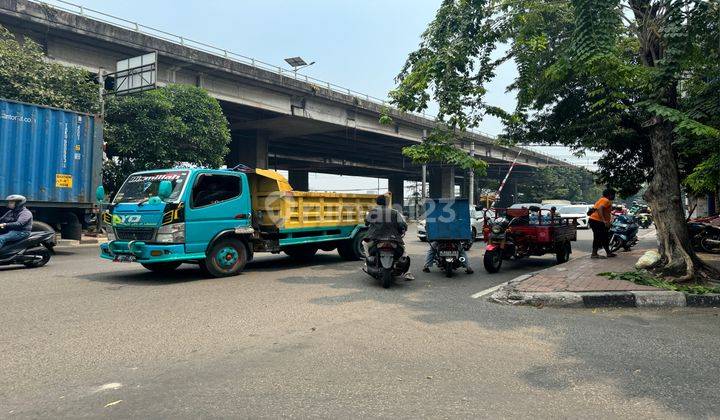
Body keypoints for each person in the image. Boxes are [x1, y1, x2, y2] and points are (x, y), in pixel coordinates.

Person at [364, 195, 414, 280]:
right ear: (387, 203)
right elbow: (402, 225)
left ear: (377, 202)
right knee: (404, 253)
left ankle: (368, 260)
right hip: (393, 238)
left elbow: (366, 223)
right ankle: (408, 273)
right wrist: (402, 229)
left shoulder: (372, 212)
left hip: (376, 238)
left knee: (364, 243)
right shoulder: (394, 212)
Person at [588, 188, 616, 259]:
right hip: (597, 221)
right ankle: (594, 254)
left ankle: (608, 252)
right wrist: (604, 221)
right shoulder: (605, 200)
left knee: (604, 237)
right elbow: (600, 209)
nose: (614, 196)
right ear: (609, 195)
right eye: (613, 195)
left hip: (595, 221)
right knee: (598, 237)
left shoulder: (602, 199)